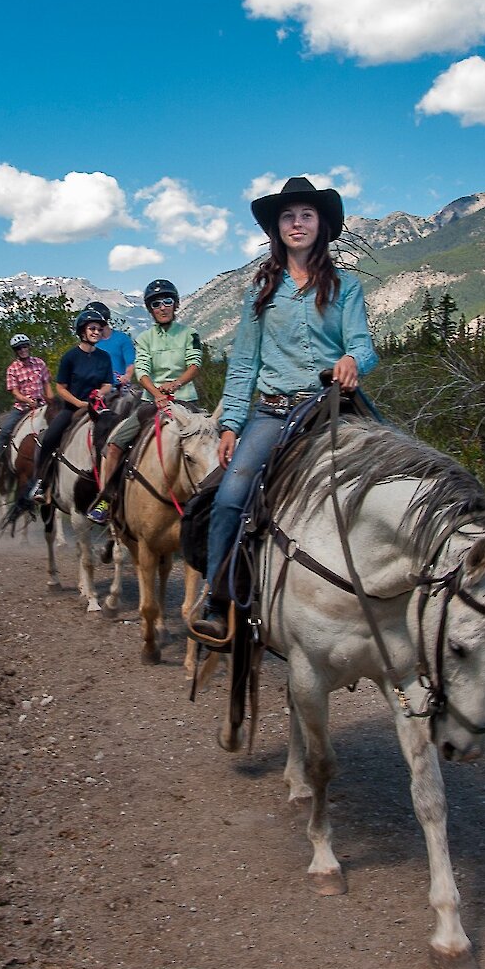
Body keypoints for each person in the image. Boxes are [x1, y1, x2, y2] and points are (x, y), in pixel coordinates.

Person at [191, 176, 380, 639]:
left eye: (306, 215)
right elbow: (244, 364)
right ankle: (218, 600)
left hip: (332, 405)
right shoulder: (260, 291)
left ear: (322, 224)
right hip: (274, 413)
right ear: (278, 229)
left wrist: (353, 359)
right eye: (288, 217)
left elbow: (363, 344)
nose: (297, 223)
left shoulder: (346, 287)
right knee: (232, 493)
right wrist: (232, 422)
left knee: (398, 479)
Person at [86, 279, 202, 524]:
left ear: (176, 304)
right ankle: (107, 499)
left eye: (167, 301)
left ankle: (217, 503)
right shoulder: (145, 338)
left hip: (186, 402)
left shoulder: (190, 334)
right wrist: (157, 394)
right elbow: (142, 370)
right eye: (156, 304)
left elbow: (194, 364)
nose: (162, 307)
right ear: (150, 309)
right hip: (151, 402)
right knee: (116, 444)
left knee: (214, 440)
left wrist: (176, 384)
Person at [26, 307, 114, 504]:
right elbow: (61, 388)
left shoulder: (104, 357)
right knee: (49, 438)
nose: (96, 332)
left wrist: (101, 392)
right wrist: (79, 403)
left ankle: (114, 487)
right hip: (72, 409)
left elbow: (108, 383)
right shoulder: (70, 357)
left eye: (99, 329)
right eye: (92, 328)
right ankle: (41, 482)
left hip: (99, 408)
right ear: (82, 331)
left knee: (118, 436)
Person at [0, 333, 54, 468]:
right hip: (22, 407)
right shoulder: (12, 369)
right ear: (16, 351)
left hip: (42, 405)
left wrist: (52, 401)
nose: (23, 350)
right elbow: (15, 392)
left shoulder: (40, 363)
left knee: (58, 425)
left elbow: (47, 385)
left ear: (28, 347)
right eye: (19, 348)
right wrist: (27, 400)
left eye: (24, 347)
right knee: (5, 431)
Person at [84, 301, 135, 388]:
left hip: (119, 386)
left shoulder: (122, 338)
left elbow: (130, 363)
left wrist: (127, 376)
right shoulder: (89, 343)